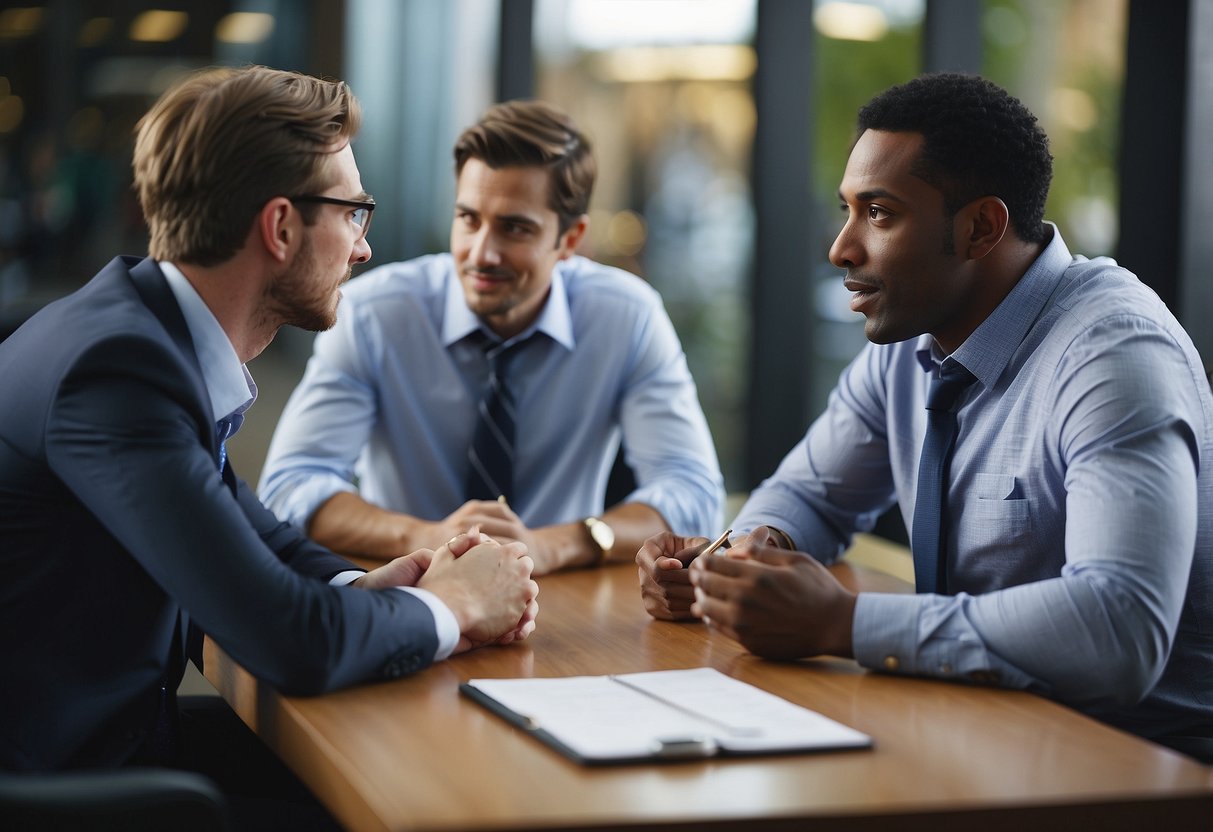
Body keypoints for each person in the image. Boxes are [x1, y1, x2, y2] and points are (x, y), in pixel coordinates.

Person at [637, 73, 1212, 760]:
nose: (841, 249)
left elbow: (1120, 631)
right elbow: (809, 496)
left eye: (878, 214)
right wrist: (744, 563)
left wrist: (843, 622)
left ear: (978, 228)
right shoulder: (914, 339)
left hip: (1139, 767)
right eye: (847, 209)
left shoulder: (1113, 356)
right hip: (980, 731)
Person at [0, 64, 538, 798]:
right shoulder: (118, 372)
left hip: (111, 749)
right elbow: (293, 642)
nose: (363, 248)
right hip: (67, 791)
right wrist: (455, 605)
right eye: (354, 212)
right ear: (281, 226)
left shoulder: (142, 332)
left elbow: (259, 538)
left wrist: (384, 581)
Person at [258, 100, 723, 574]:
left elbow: (693, 493)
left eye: (515, 228)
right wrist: (429, 536)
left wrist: (557, 544)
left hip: (565, 602)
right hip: (411, 588)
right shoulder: (375, 314)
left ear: (570, 239)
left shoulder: (626, 317)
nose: (482, 254)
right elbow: (292, 486)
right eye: (469, 219)